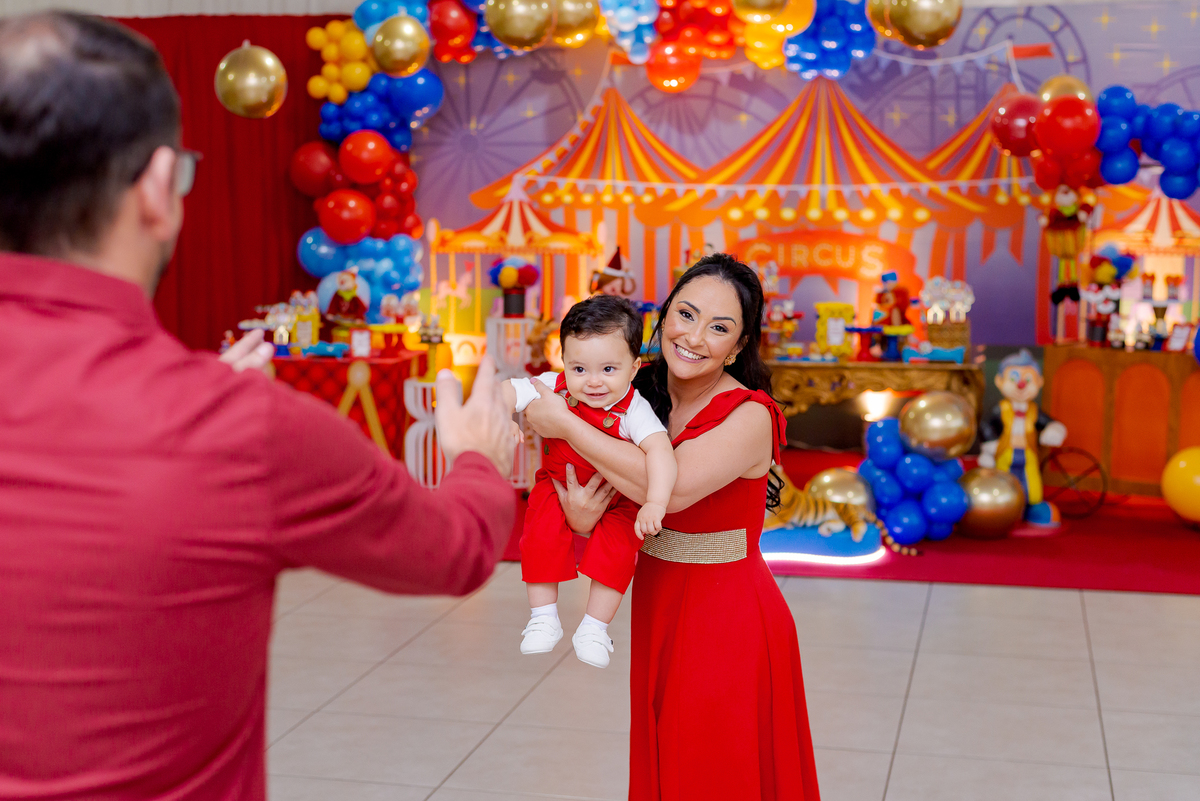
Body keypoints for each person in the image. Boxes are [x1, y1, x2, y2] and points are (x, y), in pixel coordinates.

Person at [0, 12, 516, 800]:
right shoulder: (243, 431)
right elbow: (457, 549)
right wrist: (477, 453)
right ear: (156, 187)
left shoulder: (223, 421)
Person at [523, 254, 821, 800]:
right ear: (663, 316)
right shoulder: (632, 391)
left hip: (727, 613)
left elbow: (674, 490)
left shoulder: (750, 415)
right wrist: (582, 517)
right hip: (657, 597)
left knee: (715, 768)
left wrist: (563, 422)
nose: (695, 337)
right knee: (668, 755)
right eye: (686, 314)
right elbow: (596, 485)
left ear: (738, 346)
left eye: (719, 328)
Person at [503, 295, 677, 668]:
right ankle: (543, 617)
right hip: (555, 486)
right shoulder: (551, 386)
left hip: (618, 498)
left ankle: (595, 628)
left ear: (634, 367)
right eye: (579, 369)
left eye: (608, 369)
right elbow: (507, 390)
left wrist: (655, 502)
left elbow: (661, 452)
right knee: (538, 535)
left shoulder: (634, 409)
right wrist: (503, 415)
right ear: (563, 361)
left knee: (619, 549)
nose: (593, 382)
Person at [978, 349, 1067, 527]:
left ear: (1039, 381)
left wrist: (1054, 430)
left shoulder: (1033, 411)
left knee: (1032, 482)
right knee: (1003, 481)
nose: (1021, 385)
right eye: (1014, 379)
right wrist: (990, 446)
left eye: (1028, 380)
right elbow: (986, 425)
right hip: (1004, 454)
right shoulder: (1000, 409)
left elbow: (1049, 423)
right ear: (999, 381)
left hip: (1028, 455)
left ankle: (1033, 507)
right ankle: (1003, 508)